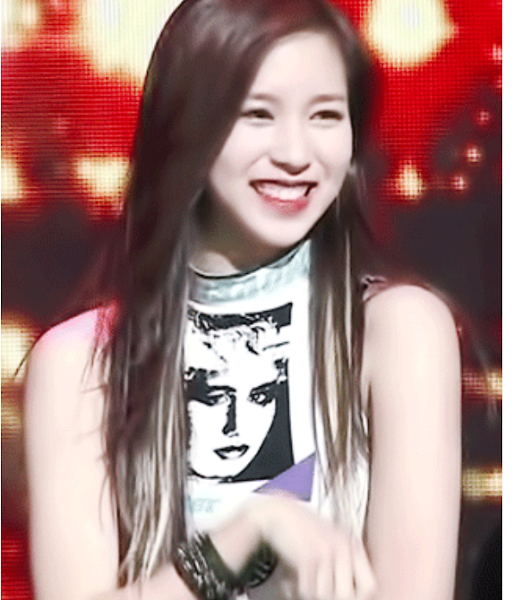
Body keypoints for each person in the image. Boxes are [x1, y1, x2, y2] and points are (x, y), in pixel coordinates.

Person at [24, 1, 462, 599]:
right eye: (257, 114)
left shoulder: (397, 331)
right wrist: (247, 533)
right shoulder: (82, 362)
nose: (296, 153)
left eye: (325, 115)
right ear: (187, 124)